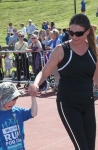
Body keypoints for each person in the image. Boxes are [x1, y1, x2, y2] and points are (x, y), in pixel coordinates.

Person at [28, 14, 97, 150]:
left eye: (79, 33)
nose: (74, 36)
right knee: (82, 148)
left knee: (90, 147)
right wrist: (36, 84)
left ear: (87, 31)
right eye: (71, 32)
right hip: (68, 104)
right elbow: (44, 71)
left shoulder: (93, 50)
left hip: (88, 103)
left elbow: (96, 79)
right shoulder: (61, 49)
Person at [0, 82, 37, 150]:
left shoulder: (18, 111)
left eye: (14, 99)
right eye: (9, 100)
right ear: (1, 100)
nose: (12, 103)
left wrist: (33, 97)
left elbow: (33, 113)